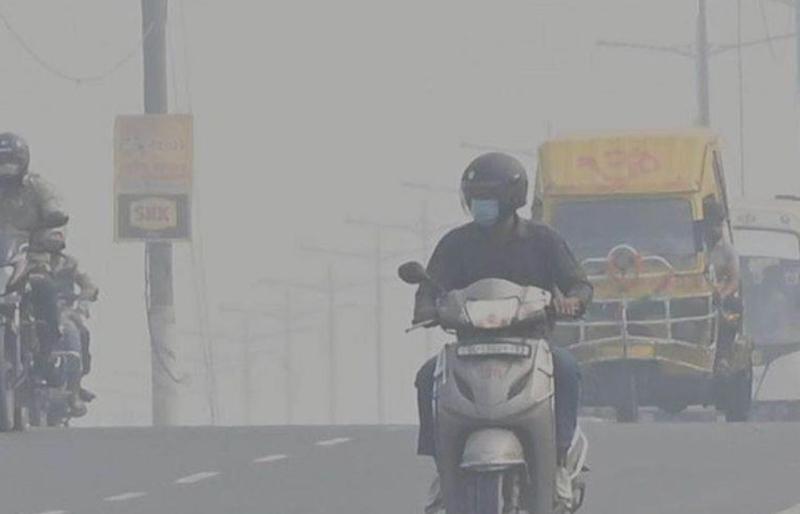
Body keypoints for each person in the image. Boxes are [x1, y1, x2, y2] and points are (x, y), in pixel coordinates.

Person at [412, 152, 593, 511]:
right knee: (426, 376)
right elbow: (429, 287)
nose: (480, 205)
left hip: (531, 344)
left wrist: (573, 300)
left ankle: (559, 460)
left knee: (567, 369)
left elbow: (579, 283)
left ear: (511, 198)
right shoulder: (455, 244)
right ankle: (442, 469)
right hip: (469, 345)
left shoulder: (543, 240)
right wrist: (426, 308)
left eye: (487, 197)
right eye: (475, 197)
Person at [0, 133, 69, 363]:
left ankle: (47, 351)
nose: (7, 169)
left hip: (32, 257)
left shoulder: (38, 187)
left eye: (12, 163)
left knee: (43, 286)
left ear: (23, 162)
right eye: (2, 163)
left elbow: (56, 211)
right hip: (1, 258)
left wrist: (52, 232)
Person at [28, 228, 99, 416]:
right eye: (49, 242)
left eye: (57, 243)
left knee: (81, 334)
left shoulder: (70, 263)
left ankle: (75, 388)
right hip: (36, 312)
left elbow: (89, 285)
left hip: (65, 311)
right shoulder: (30, 262)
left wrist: (82, 304)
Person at [704, 200, 741, 369]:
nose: (717, 229)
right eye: (713, 224)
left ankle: (723, 356)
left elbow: (734, 280)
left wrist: (722, 294)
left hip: (720, 298)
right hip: (699, 297)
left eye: (720, 224)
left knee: (733, 310)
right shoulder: (696, 248)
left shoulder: (728, 250)